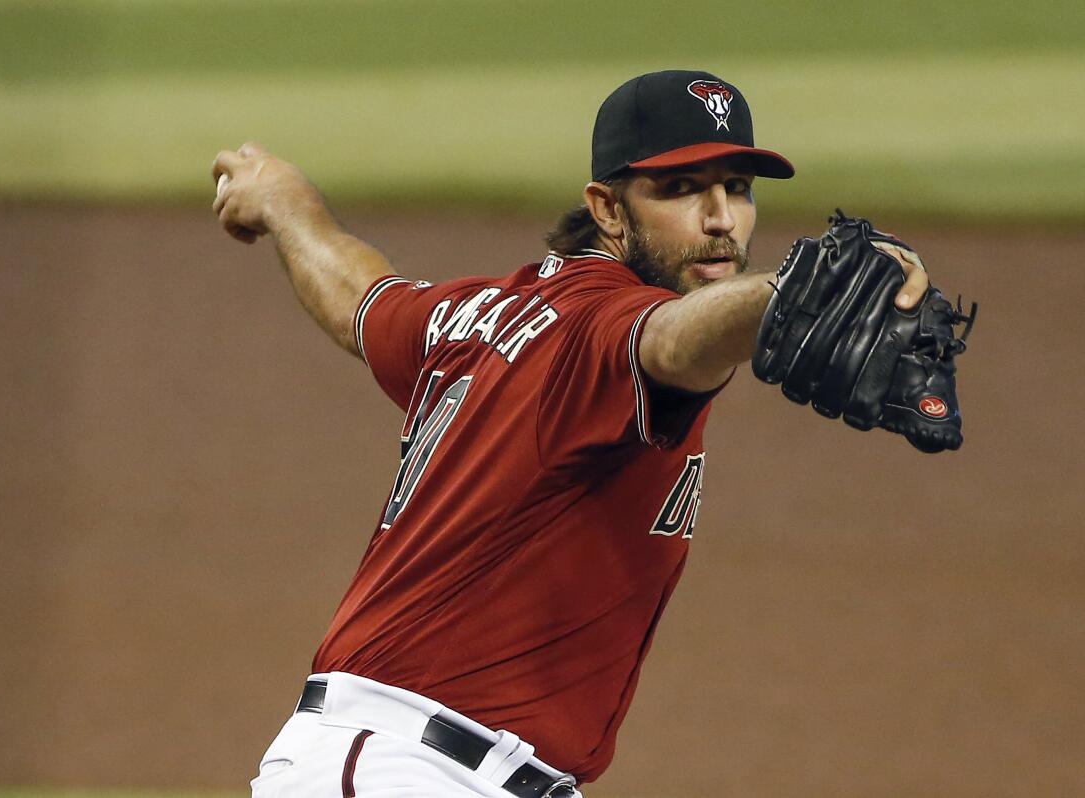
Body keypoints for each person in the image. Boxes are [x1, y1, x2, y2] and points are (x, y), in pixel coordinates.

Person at [211, 70, 928, 798]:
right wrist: (786, 294)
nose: (721, 220)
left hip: (419, 765)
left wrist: (283, 201)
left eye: (737, 188)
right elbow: (673, 341)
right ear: (608, 209)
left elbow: (359, 298)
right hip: (408, 766)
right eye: (681, 189)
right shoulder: (603, 328)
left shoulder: (470, 316)